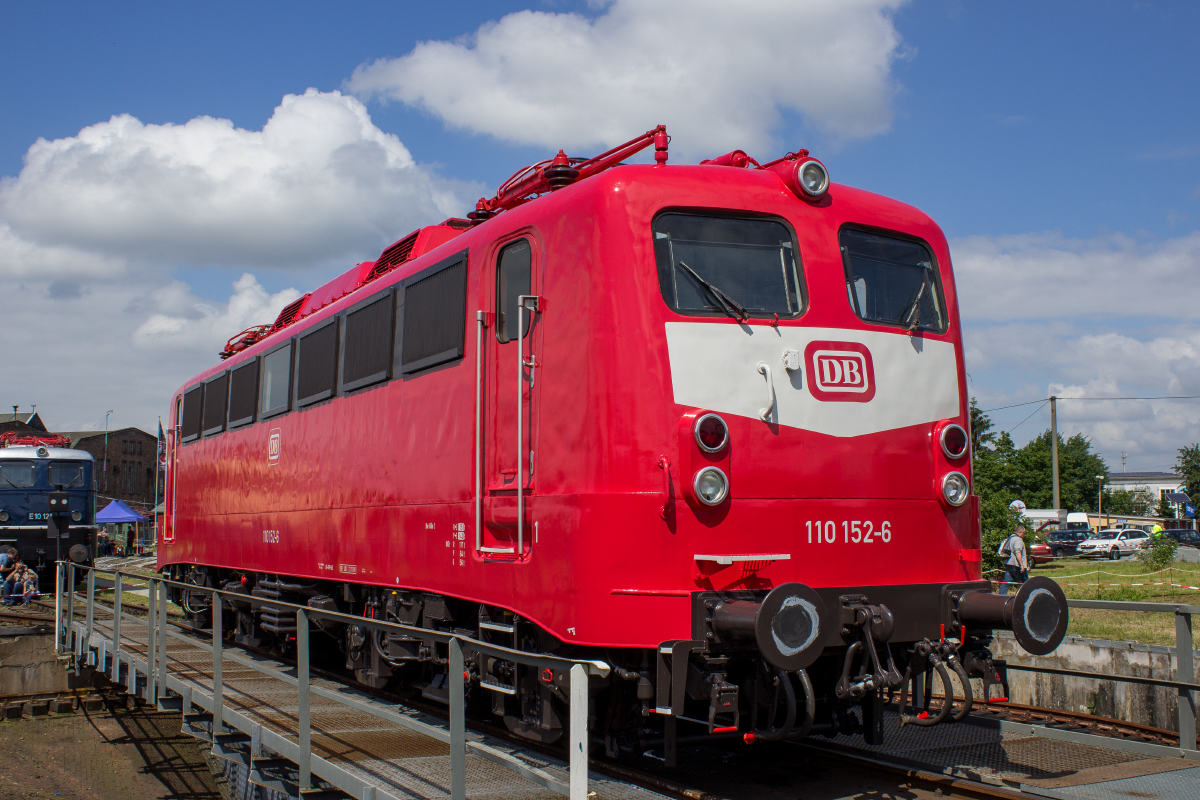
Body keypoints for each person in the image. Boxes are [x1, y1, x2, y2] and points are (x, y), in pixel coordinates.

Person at [997, 525, 1028, 595]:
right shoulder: (1018, 540)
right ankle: (1026, 598)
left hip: (1008, 563)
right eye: (1024, 533)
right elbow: (1018, 552)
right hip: (1016, 565)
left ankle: (1000, 598)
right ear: (1020, 532)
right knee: (1025, 583)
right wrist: (1022, 565)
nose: (1024, 535)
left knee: (1005, 583)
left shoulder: (1009, 538)